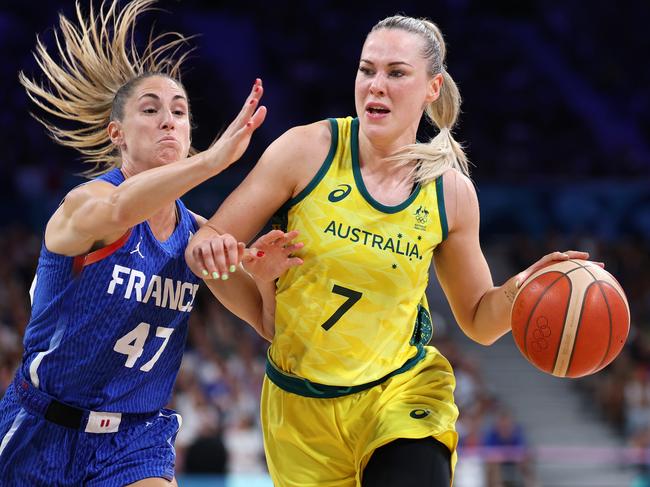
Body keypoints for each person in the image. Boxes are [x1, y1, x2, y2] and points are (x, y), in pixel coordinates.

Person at [186, 15, 597, 487]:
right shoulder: (306, 150)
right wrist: (239, 274)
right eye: (367, 70)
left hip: (400, 393)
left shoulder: (450, 192)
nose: (376, 85)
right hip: (300, 411)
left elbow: (480, 322)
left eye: (396, 73)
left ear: (431, 88)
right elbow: (208, 245)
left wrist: (520, 292)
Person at [0, 1, 297, 485]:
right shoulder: (87, 203)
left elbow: (270, 326)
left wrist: (265, 282)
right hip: (41, 425)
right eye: (151, 109)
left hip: (134, 440)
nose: (168, 120)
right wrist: (212, 163)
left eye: (179, 112)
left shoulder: (198, 238)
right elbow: (121, 211)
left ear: (188, 134)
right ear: (117, 133)